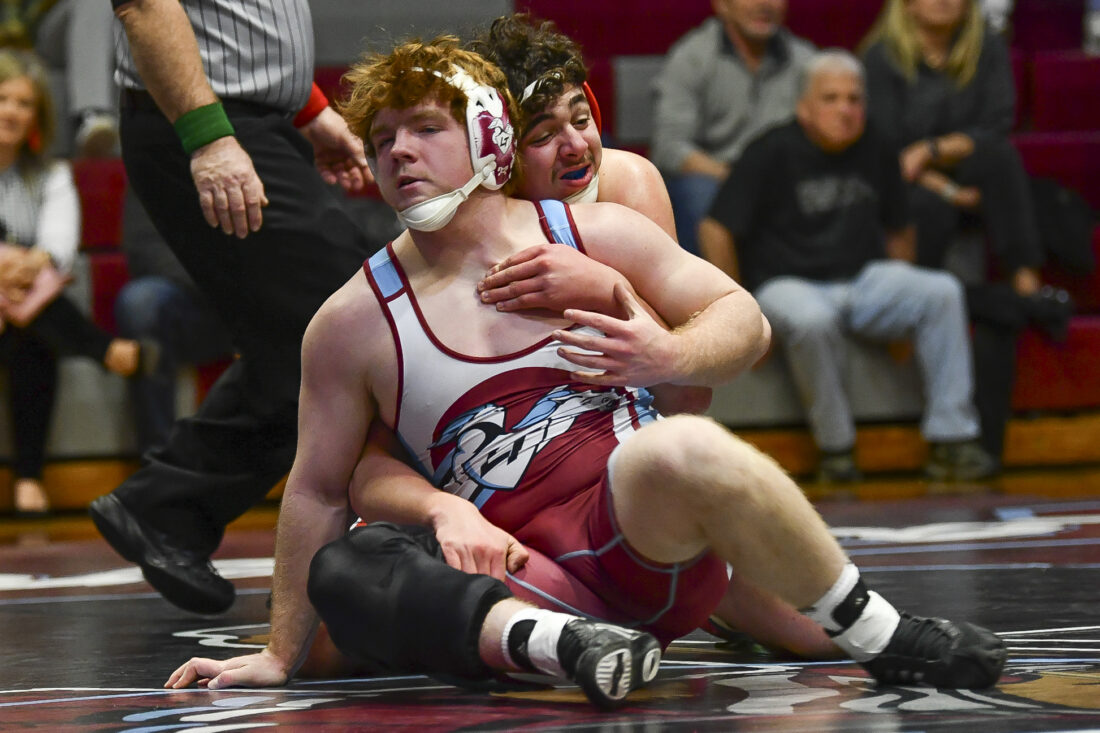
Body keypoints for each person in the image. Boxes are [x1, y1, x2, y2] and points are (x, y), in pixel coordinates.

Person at [166, 38, 1005, 701]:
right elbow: (323, 486)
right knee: (347, 568)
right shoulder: (351, 320)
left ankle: (880, 633)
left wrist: (660, 347)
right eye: (382, 139)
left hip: (639, 528)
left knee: (678, 447)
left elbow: (741, 320)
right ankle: (566, 646)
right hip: (522, 572)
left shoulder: (598, 226)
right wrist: (278, 652)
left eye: (423, 129)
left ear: (488, 135)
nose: (398, 153)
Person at [469, 11, 830, 657]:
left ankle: (721, 583)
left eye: (582, 119)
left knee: (816, 632)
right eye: (544, 134)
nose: (575, 146)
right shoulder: (465, 222)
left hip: (619, 454)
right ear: (496, 154)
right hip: (505, 472)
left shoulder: (624, 187)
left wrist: (610, 288)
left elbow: (696, 383)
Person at [88, 0, 375, 615]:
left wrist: (311, 111)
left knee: (310, 345)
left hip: (250, 123)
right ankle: (173, 508)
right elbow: (146, 7)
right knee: (353, 325)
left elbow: (241, 24)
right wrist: (210, 139)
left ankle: (166, 509)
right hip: (208, 124)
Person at [699, 49, 998, 485]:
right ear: (804, 107)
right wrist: (739, 313)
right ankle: (836, 449)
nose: (845, 109)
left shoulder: (877, 144)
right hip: (787, 285)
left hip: (862, 281)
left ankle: (953, 438)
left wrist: (901, 317)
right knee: (812, 319)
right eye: (831, 98)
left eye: (854, 99)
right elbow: (715, 228)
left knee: (941, 291)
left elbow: (899, 228)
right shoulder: (769, 150)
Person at [861, 0, 1071, 465]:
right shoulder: (881, 57)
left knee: (1002, 157)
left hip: (971, 171)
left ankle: (1026, 282)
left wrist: (933, 149)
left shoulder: (986, 47)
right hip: (909, 185)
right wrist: (949, 190)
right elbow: (888, 150)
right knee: (927, 205)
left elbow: (996, 128)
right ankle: (925, 301)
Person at [0, 48, 152, 515]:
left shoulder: (52, 175)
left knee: (29, 339)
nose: (12, 112)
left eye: (24, 103)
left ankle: (29, 479)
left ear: (37, 116)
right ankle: (101, 347)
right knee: (32, 322)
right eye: (3, 99)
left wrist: (25, 265)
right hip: (26, 298)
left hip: (21, 307)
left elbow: (60, 245)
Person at [650, 0, 815, 256]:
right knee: (697, 193)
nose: (764, 4)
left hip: (787, 178)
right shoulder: (691, 58)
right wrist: (737, 178)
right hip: (718, 177)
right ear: (722, 5)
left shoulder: (807, 60)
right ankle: (708, 283)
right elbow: (670, 147)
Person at [113, 185, 234, 456]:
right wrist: (218, 283)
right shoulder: (153, 166)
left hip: (257, 295)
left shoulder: (266, 162)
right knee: (141, 302)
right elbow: (145, 249)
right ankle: (160, 457)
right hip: (192, 302)